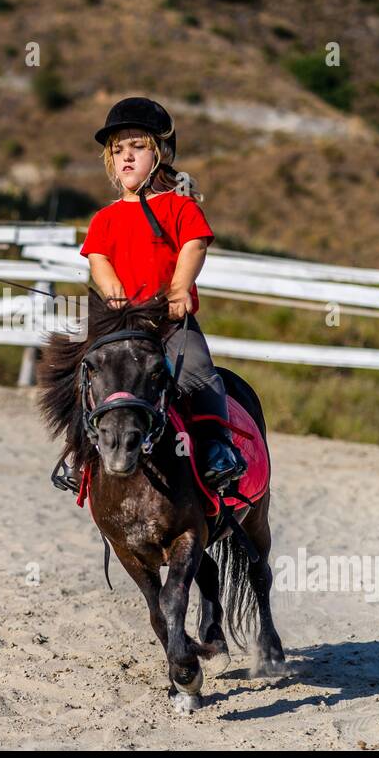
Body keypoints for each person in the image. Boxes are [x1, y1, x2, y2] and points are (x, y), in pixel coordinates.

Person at [80, 96, 247, 490]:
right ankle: (79, 455)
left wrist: (178, 290)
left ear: (162, 153)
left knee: (199, 374)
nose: (126, 157)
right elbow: (98, 258)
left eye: (137, 147)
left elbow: (194, 245)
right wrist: (113, 292)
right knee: (83, 373)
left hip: (168, 322)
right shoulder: (105, 217)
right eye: (118, 150)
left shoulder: (179, 207)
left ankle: (216, 448)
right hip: (121, 324)